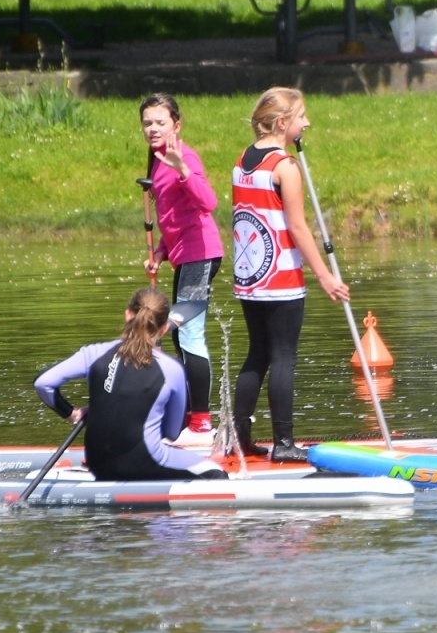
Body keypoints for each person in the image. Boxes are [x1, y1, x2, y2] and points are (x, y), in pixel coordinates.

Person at [230, 87, 352, 462]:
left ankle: (239, 436)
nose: (307, 123)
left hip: (250, 277)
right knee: (283, 356)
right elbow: (298, 228)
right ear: (282, 123)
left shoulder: (242, 160)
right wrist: (325, 278)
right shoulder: (285, 166)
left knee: (257, 354)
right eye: (302, 117)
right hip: (280, 277)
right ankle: (284, 443)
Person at [34, 287, 226, 481]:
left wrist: (72, 413)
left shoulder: (93, 353)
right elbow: (171, 432)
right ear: (164, 329)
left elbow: (44, 383)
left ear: (127, 315)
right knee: (217, 473)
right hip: (146, 462)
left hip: (98, 464)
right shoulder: (172, 368)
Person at [139, 93, 223, 440]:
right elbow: (172, 215)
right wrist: (160, 251)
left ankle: (202, 423)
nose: (153, 129)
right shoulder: (158, 159)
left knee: (188, 334)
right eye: (147, 123)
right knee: (180, 339)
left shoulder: (182, 156)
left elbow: (208, 202)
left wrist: (183, 169)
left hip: (201, 253)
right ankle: (191, 416)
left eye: (160, 122)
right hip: (183, 254)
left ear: (176, 124)